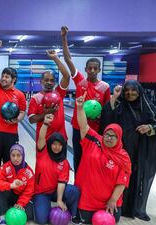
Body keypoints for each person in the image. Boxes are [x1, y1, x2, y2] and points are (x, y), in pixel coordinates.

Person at [100, 81, 156, 221]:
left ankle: (132, 207)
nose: (130, 93)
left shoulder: (146, 106)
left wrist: (149, 127)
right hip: (121, 152)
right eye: (127, 90)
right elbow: (107, 119)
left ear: (139, 91)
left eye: (133, 90)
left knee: (135, 178)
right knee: (119, 178)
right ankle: (118, 204)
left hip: (138, 152)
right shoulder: (119, 105)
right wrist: (114, 97)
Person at [75, 92, 131, 223]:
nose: (109, 138)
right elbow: (83, 126)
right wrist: (79, 107)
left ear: (119, 138)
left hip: (109, 201)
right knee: (87, 220)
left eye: (113, 136)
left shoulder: (123, 157)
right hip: (87, 201)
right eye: (107, 134)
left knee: (113, 220)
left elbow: (122, 181)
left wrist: (113, 200)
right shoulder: (94, 140)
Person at [61, 26, 111, 173]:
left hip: (95, 129)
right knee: (78, 158)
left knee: (94, 159)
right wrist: (64, 37)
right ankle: (78, 186)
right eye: (90, 68)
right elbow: (67, 59)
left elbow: (107, 110)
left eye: (96, 68)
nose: (93, 70)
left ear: (99, 70)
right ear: (86, 69)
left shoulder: (105, 87)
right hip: (78, 127)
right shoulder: (80, 81)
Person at [0, 40, 26, 174]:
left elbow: (22, 112)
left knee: (9, 165)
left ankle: (6, 191)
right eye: (3, 76)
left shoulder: (19, 95)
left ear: (13, 79)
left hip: (10, 133)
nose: (3, 78)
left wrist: (17, 119)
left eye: (7, 77)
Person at [33, 114, 80, 224]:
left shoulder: (64, 162)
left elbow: (62, 182)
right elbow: (41, 137)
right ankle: (38, 204)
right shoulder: (42, 152)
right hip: (41, 192)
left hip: (55, 191)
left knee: (74, 191)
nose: (56, 147)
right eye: (54, 144)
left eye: (59, 145)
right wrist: (45, 124)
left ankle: (73, 214)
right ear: (50, 144)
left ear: (63, 146)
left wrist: (59, 200)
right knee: (41, 220)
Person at [28, 49, 70, 142]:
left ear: (55, 82)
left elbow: (66, 76)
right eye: (46, 80)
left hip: (61, 138)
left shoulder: (59, 93)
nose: (49, 82)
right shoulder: (35, 98)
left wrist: (55, 58)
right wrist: (47, 113)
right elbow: (31, 119)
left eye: (52, 80)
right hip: (43, 140)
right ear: (40, 81)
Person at [0, 144, 35, 225]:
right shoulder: (5, 167)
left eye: (19, 155)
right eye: (13, 155)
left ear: (23, 156)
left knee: (29, 215)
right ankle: (3, 216)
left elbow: (29, 192)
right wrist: (11, 185)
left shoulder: (28, 172)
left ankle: (9, 207)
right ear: (10, 156)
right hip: (9, 194)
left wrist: (20, 203)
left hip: (20, 197)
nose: (16, 158)